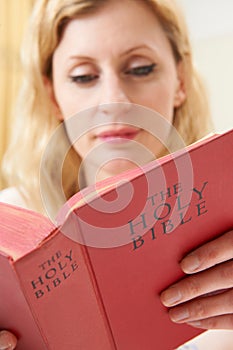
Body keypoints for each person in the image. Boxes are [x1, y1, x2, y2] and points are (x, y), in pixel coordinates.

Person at [0, 0, 232, 349]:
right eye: (83, 77)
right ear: (52, 96)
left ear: (180, 80)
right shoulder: (9, 231)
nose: (114, 100)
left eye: (140, 69)